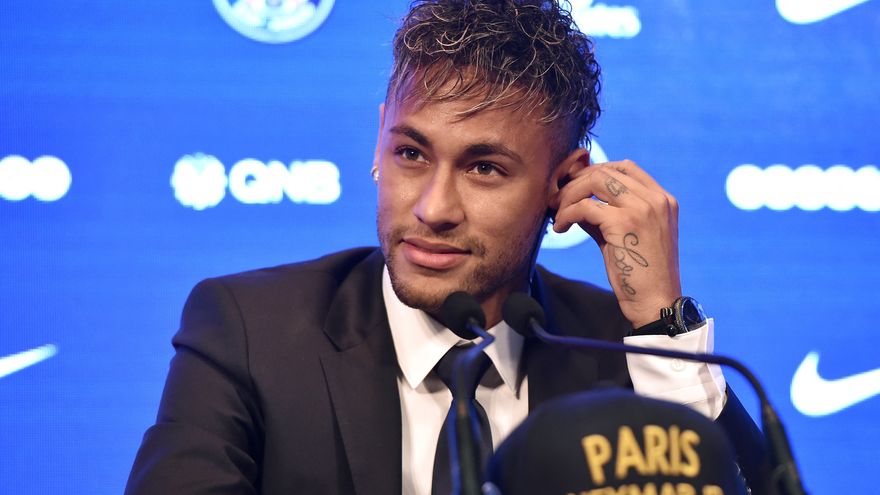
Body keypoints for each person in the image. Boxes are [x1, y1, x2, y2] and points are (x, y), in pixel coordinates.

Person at [126, 1, 769, 494]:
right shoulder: (250, 331)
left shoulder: (621, 358)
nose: (433, 209)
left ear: (564, 182)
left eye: (484, 168)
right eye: (411, 153)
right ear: (379, 140)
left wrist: (662, 328)